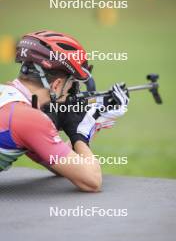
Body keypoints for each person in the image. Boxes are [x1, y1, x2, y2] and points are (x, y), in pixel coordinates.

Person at [0, 30, 129, 192]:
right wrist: (81, 133)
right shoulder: (30, 119)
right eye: (72, 84)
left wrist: (96, 122)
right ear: (56, 85)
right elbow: (91, 180)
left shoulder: (10, 99)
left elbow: (62, 164)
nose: (73, 92)